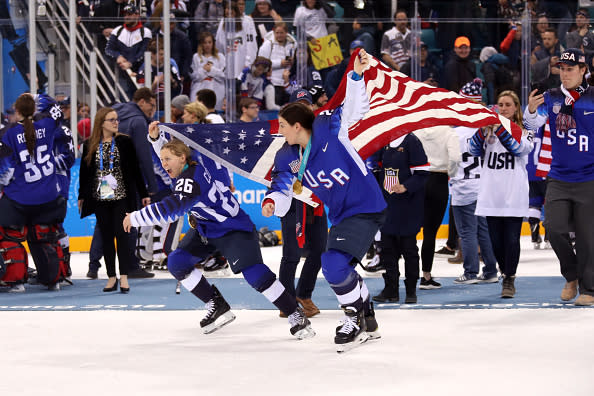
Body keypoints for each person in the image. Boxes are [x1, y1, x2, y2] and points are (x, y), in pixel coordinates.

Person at [123, 134, 314, 338]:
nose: (163, 164)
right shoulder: (188, 166)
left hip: (232, 229)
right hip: (207, 228)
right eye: (161, 160)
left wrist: (135, 218)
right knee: (177, 262)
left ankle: (295, 313)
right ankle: (216, 304)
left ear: (182, 158)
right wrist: (156, 140)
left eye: (167, 160)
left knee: (256, 275)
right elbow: (173, 152)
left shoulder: (189, 180)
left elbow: (172, 209)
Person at [263, 49, 383, 352]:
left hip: (366, 206)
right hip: (343, 215)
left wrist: (356, 76)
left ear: (298, 126)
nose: (280, 130)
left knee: (331, 263)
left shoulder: (329, 129)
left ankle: (354, 318)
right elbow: (284, 187)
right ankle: (367, 315)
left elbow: (353, 108)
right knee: (338, 265)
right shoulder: (290, 155)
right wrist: (273, 202)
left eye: (283, 125)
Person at [524, 48, 594, 306]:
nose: (564, 74)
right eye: (562, 69)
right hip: (559, 177)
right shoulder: (550, 97)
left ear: (583, 70)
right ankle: (571, 275)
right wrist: (531, 112)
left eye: (570, 69)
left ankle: (589, 289)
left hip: (589, 177)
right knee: (553, 229)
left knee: (588, 238)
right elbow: (531, 128)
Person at [78, 107, 151, 293]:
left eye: (116, 119)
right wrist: (81, 195)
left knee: (123, 235)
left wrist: (144, 193)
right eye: (111, 120)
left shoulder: (125, 141)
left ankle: (124, 276)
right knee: (107, 237)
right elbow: (85, 173)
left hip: (121, 197)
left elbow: (135, 170)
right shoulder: (90, 144)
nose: (115, 122)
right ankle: (111, 277)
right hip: (100, 197)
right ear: (101, 123)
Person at [0, 93, 68, 292]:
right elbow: (57, 110)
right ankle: (54, 279)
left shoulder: (8, 134)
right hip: (49, 197)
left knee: (8, 234)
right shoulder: (46, 126)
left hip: (19, 199)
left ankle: (15, 281)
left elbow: (6, 172)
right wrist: (39, 96)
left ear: (17, 111)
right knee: (46, 235)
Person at [269, 88, 327, 318]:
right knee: (291, 254)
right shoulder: (285, 150)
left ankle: (304, 294)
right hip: (293, 206)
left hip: (316, 204)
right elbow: (278, 180)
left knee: (320, 251)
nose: (305, 109)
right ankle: (287, 301)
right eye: (300, 106)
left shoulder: (321, 140)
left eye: (308, 105)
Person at [469, 90, 533, 298]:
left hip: (513, 194)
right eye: (500, 105)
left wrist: (500, 130)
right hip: (492, 194)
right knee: (495, 241)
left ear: (515, 108)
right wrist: (482, 130)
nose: (503, 108)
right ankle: (505, 271)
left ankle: (509, 278)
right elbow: (472, 150)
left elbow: (518, 149)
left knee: (512, 239)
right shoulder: (487, 131)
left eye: (507, 105)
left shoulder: (524, 131)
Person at [371, 134, 430, 304]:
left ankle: (411, 290)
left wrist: (406, 186)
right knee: (388, 251)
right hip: (388, 206)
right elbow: (379, 170)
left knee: (409, 250)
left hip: (408, 207)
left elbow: (422, 173)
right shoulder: (384, 142)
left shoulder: (412, 141)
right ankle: (391, 289)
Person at [414, 125, 461, 289]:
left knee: (411, 232)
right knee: (430, 233)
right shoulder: (448, 132)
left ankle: (411, 275)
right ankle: (426, 276)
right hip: (438, 181)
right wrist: (450, 172)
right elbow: (455, 158)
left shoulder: (417, 130)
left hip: (418, 181)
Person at [104, 4, 152, 99]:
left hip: (139, 72)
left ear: (137, 15)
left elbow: (144, 52)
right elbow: (108, 49)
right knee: (121, 96)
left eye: (129, 14)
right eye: (125, 14)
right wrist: (118, 56)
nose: (126, 17)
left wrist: (130, 63)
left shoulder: (145, 32)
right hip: (121, 71)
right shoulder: (117, 31)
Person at [257, 22, 297, 107]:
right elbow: (260, 63)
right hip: (273, 83)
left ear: (286, 33)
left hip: (287, 83)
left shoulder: (292, 44)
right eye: (277, 33)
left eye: (281, 33)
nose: (279, 35)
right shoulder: (267, 45)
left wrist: (292, 62)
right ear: (274, 32)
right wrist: (279, 63)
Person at [190, 31, 226, 111]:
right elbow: (194, 77)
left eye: (209, 42)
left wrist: (211, 70)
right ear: (201, 44)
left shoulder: (220, 57)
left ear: (213, 43)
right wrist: (203, 70)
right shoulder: (196, 57)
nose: (207, 45)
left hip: (217, 90)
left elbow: (223, 76)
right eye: (205, 42)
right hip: (199, 89)